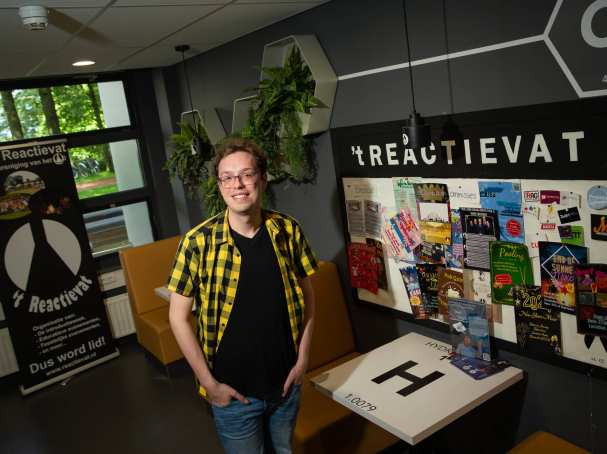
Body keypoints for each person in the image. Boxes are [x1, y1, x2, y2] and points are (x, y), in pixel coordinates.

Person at [167, 137, 318, 454]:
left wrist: (302, 360)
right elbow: (177, 318)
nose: (238, 184)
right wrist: (210, 385)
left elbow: (309, 301)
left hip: (285, 387)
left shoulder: (287, 231)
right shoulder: (198, 242)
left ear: (262, 179)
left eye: (247, 174)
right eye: (227, 177)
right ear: (220, 185)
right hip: (232, 395)